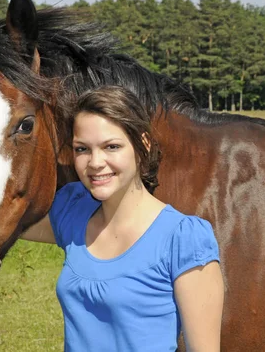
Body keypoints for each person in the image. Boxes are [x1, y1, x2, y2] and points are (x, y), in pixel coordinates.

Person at [22, 85, 224, 352]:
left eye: (111, 146)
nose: (95, 162)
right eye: (82, 149)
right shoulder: (72, 210)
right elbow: (4, 221)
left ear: (143, 145)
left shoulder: (183, 240)